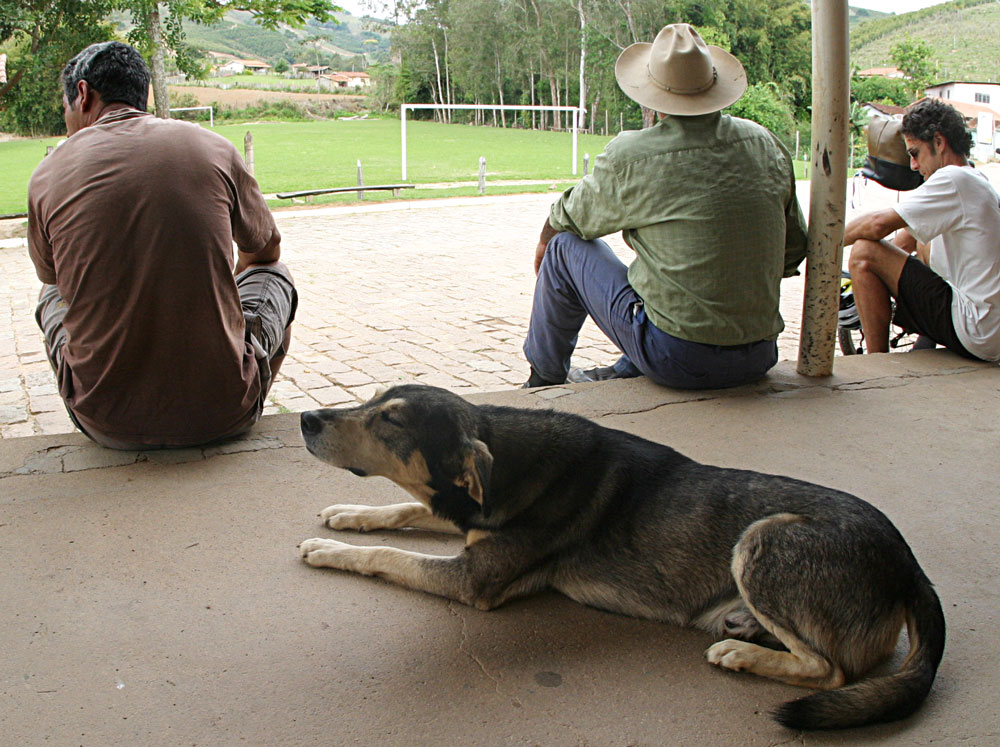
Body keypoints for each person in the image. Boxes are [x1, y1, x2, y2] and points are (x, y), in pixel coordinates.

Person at [27, 41, 298, 449]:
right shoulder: (213, 147)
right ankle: (244, 386)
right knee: (276, 275)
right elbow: (266, 252)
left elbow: (54, 279)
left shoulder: (47, 174)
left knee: (48, 292)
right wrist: (224, 295)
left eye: (66, 109)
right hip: (224, 414)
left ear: (83, 94)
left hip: (104, 422)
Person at [522, 23, 807, 390]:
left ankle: (543, 379)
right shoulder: (764, 143)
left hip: (678, 360)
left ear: (650, 96)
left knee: (564, 248)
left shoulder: (634, 155)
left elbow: (568, 218)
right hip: (759, 355)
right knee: (667, 277)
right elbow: (794, 246)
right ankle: (629, 366)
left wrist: (545, 243)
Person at [844, 98, 1000, 360]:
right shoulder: (974, 178)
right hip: (989, 329)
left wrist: (825, 240)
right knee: (916, 238)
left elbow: (877, 225)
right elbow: (902, 241)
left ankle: (876, 361)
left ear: (938, 142)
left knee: (863, 252)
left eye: (915, 153)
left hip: (977, 329)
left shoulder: (953, 178)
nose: (913, 166)